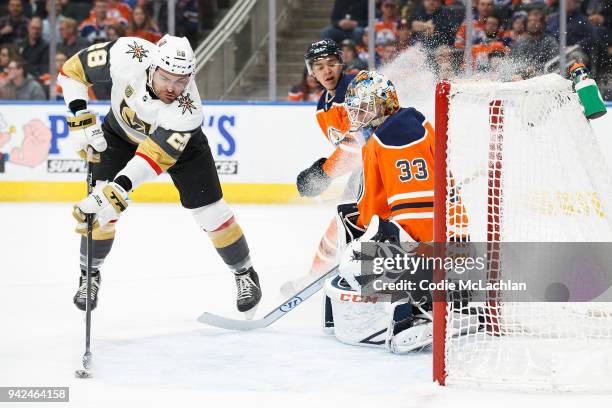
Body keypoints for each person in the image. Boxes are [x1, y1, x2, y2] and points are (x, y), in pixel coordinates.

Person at [56, 35, 262, 316]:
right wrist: (79, 117)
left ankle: (244, 273)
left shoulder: (187, 111)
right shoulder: (127, 53)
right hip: (117, 134)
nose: (173, 88)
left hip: (183, 148)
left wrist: (118, 188)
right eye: (166, 78)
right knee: (101, 215)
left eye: (182, 80)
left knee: (212, 214)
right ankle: (88, 276)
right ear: (151, 67)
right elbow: (71, 71)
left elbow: (152, 159)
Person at [326, 70, 437, 353]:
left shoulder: (389, 137)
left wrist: (375, 237)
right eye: (355, 110)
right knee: (352, 225)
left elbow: (409, 210)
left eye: (364, 107)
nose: (358, 115)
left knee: (353, 265)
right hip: (445, 244)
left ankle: (414, 316)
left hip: (434, 252)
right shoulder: (405, 126)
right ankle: (422, 299)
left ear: (384, 104)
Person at [282, 39, 362, 296]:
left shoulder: (355, 89)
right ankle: (315, 276)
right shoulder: (322, 107)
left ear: (341, 63)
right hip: (366, 171)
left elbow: (357, 145)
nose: (326, 71)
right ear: (311, 72)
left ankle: (363, 281)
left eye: (331, 64)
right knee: (342, 222)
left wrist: (323, 174)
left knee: (353, 225)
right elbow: (348, 150)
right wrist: (324, 170)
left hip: (385, 167)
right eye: (319, 67)